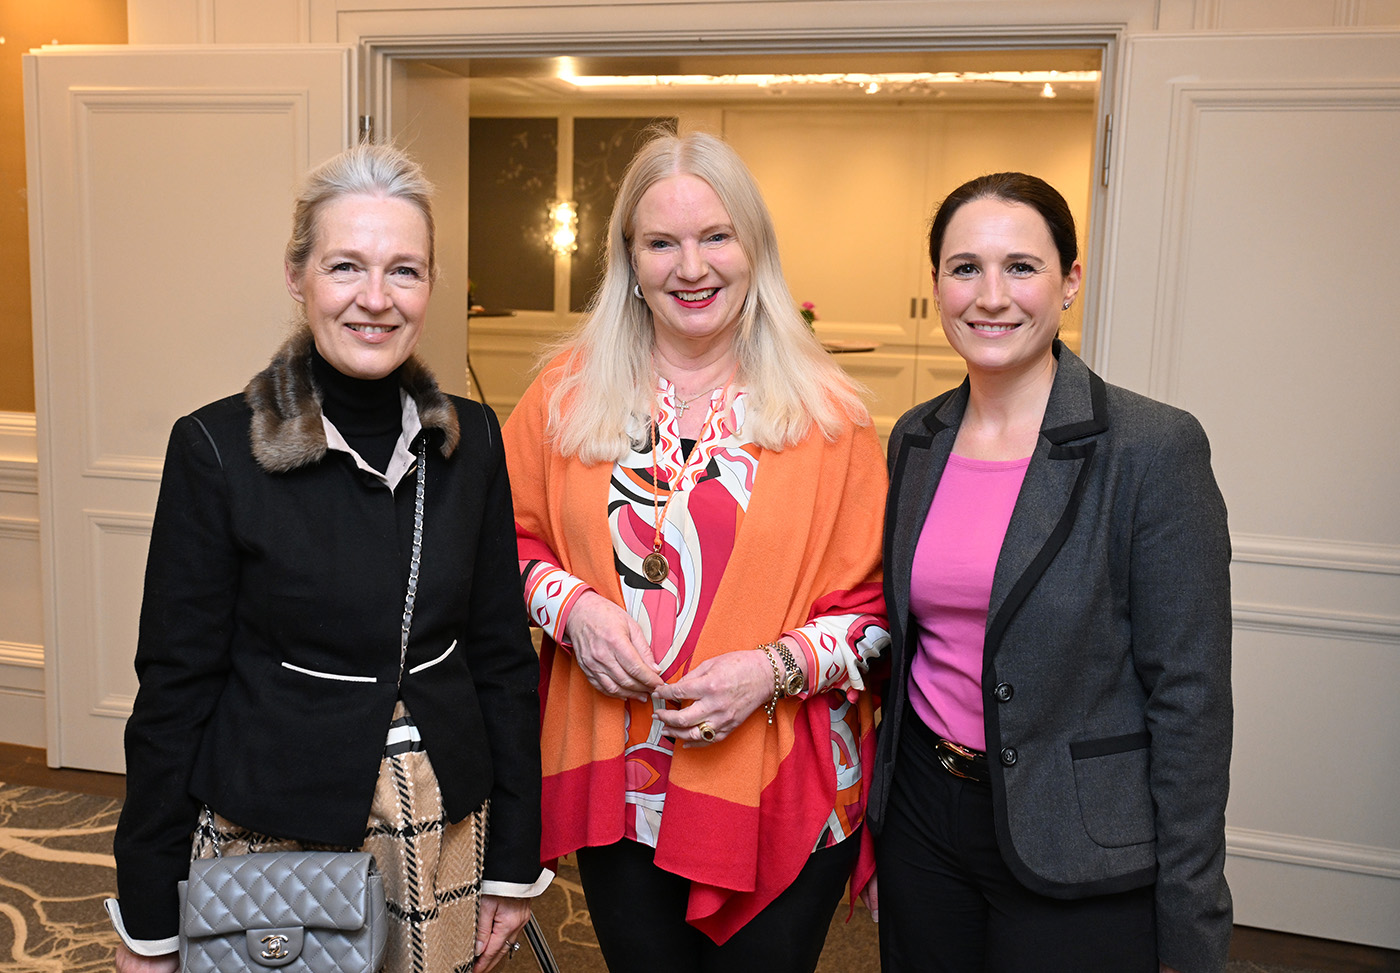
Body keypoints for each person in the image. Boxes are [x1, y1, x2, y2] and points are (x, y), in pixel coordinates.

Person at [105, 143, 548, 973]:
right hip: (274, 832)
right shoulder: (215, 448)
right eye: (345, 266)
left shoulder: (475, 439)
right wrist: (151, 915)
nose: (375, 298)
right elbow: (174, 690)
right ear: (297, 275)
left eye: (404, 270)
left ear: (430, 284)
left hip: (443, 824)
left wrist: (515, 862)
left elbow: (502, 661)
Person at [502, 130, 889, 973]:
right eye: (662, 243)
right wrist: (574, 610)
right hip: (619, 781)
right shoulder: (564, 396)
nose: (691, 267)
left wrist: (769, 670)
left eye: (716, 236)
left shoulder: (830, 414)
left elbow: (876, 616)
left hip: (779, 780)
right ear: (628, 259)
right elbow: (498, 544)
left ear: (755, 248)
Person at [867, 172, 1233, 973]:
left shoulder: (1151, 448)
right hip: (924, 818)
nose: (991, 295)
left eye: (1021, 267)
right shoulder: (916, 438)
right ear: (937, 284)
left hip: (1076, 837)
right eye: (965, 267)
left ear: (1069, 281)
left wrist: (1190, 924)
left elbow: (1191, 700)